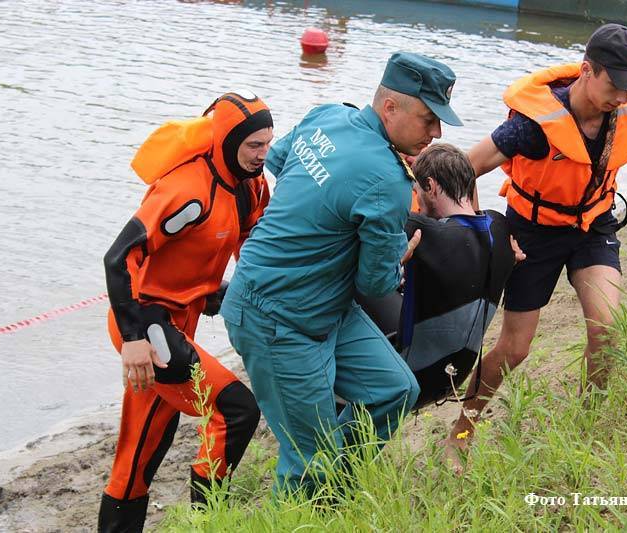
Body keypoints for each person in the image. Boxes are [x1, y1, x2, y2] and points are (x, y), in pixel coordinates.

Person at [445, 24, 627, 459]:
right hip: (533, 235)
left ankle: (585, 429)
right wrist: (476, 227)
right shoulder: (533, 127)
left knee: (607, 329)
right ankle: (460, 434)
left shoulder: (623, 112)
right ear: (587, 70)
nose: (622, 98)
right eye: (615, 86)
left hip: (593, 228)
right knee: (514, 349)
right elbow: (464, 170)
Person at [220, 52, 462, 493]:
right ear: (390, 107)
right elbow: (375, 283)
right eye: (428, 118)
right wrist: (398, 258)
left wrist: (322, 207)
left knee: (392, 391)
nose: (436, 133)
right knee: (308, 460)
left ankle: (334, 492)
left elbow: (277, 160)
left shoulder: (329, 116)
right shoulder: (389, 180)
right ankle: (315, 491)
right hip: (276, 317)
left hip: (326, 304)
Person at [99, 93, 273, 531]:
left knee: (139, 453)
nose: (262, 154)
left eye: (268, 143)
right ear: (227, 140)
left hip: (182, 317)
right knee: (237, 410)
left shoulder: (251, 186)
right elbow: (118, 259)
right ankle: (207, 521)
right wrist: (134, 341)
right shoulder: (186, 191)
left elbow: (253, 250)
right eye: (253, 145)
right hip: (145, 323)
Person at [357, 143, 518, 409]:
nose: (416, 200)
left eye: (417, 190)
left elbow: (363, 219)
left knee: (351, 277)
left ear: (430, 186)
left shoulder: (425, 232)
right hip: (454, 377)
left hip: (413, 377)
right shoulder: (499, 226)